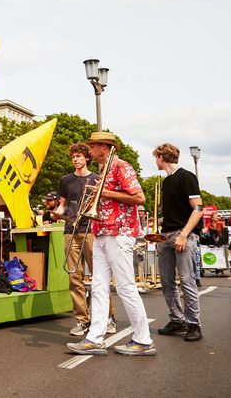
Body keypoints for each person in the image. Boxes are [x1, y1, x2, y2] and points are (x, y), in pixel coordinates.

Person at [67, 132, 154, 356]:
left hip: (120, 232)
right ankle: (95, 338)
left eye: (93, 146)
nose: (90, 150)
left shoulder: (121, 166)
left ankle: (144, 340)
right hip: (101, 231)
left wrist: (105, 192)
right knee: (98, 286)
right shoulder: (104, 169)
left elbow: (139, 198)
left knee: (125, 287)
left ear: (104, 147)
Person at [54, 143, 117, 337]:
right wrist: (57, 213)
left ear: (87, 158)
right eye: (73, 156)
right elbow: (62, 205)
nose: (75, 159)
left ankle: (109, 317)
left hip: (91, 231)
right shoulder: (65, 180)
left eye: (79, 156)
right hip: (70, 230)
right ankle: (83, 320)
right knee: (74, 278)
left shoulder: (96, 178)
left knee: (99, 277)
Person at [153, 143, 204, 342]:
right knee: (167, 282)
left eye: (156, 158)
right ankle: (177, 320)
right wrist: (160, 220)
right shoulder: (167, 181)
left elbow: (198, 209)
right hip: (166, 235)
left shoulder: (186, 176)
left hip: (183, 235)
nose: (155, 161)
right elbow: (177, 210)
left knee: (187, 280)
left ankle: (194, 324)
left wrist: (183, 235)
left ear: (161, 157)